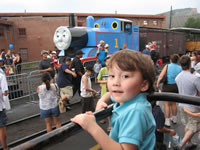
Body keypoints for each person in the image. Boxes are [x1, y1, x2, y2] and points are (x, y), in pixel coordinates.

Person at [71, 50, 156, 150]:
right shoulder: (129, 98)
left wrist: (92, 127)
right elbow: (109, 94)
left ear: (144, 84)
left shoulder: (135, 111)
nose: (115, 82)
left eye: (125, 76)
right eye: (112, 76)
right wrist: (101, 100)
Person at [174, 55, 200, 150]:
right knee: (193, 127)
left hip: (181, 105)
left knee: (187, 125)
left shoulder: (177, 77)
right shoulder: (195, 78)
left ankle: (189, 143)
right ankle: (180, 145)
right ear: (190, 64)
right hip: (192, 106)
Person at [156, 54, 182, 127]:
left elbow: (161, 75)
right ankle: (174, 118)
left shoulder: (167, 66)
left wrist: (158, 83)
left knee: (166, 104)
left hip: (167, 86)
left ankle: (167, 121)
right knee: (174, 103)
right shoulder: (179, 68)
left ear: (170, 59)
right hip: (175, 87)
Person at [0, 58, 9, 150]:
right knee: (2, 127)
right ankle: (5, 147)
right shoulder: (1, 76)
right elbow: (5, 92)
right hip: (0, 106)